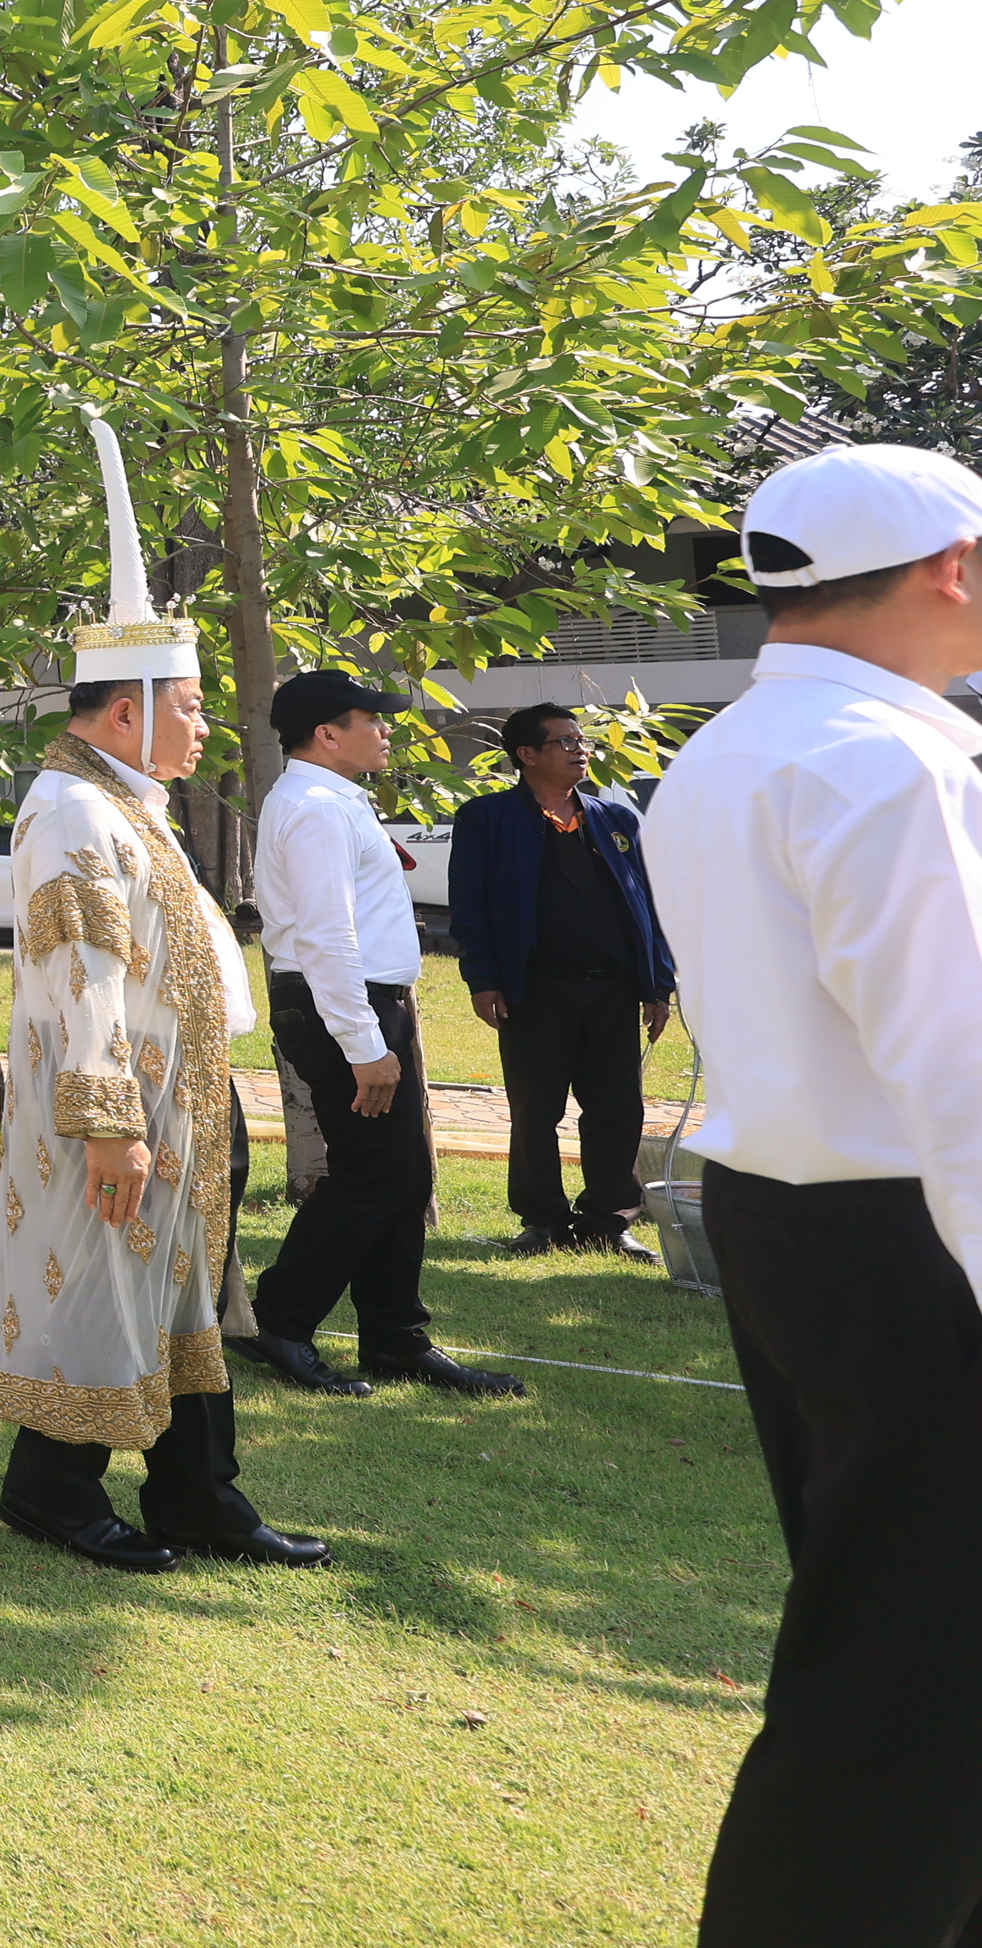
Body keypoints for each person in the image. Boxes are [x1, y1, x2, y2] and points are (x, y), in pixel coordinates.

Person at [640, 444, 982, 1944]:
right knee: (910, 1678)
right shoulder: (887, 760)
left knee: (891, 1633)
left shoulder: (730, 748)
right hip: (911, 1234)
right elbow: (964, 1073)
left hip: (792, 1214)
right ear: (951, 569)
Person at [0, 414, 324, 1576]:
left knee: (190, 1305)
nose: (201, 726)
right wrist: (110, 1122)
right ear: (124, 708)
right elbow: (78, 978)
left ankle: (198, 1492)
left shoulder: (132, 804)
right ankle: (51, 1492)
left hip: (177, 1104)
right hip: (118, 1114)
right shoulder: (77, 811)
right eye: (185, 706)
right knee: (98, 1293)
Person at [241, 670, 524, 1400]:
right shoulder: (313, 808)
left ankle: (396, 1340)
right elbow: (327, 936)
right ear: (327, 734)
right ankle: (279, 1320)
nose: (386, 729)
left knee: (402, 1176)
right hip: (344, 1003)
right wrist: (367, 1046)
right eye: (372, 718)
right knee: (375, 1174)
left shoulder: (331, 800)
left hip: (362, 1001)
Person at [450, 703, 678, 1260]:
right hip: (535, 990)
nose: (581, 750)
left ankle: (609, 1219)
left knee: (617, 1109)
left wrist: (657, 984)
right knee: (535, 1107)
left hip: (614, 990)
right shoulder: (487, 819)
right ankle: (543, 1219)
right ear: (527, 755)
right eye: (565, 742)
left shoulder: (616, 819)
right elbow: (470, 908)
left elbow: (652, 904)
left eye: (582, 740)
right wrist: (483, 979)